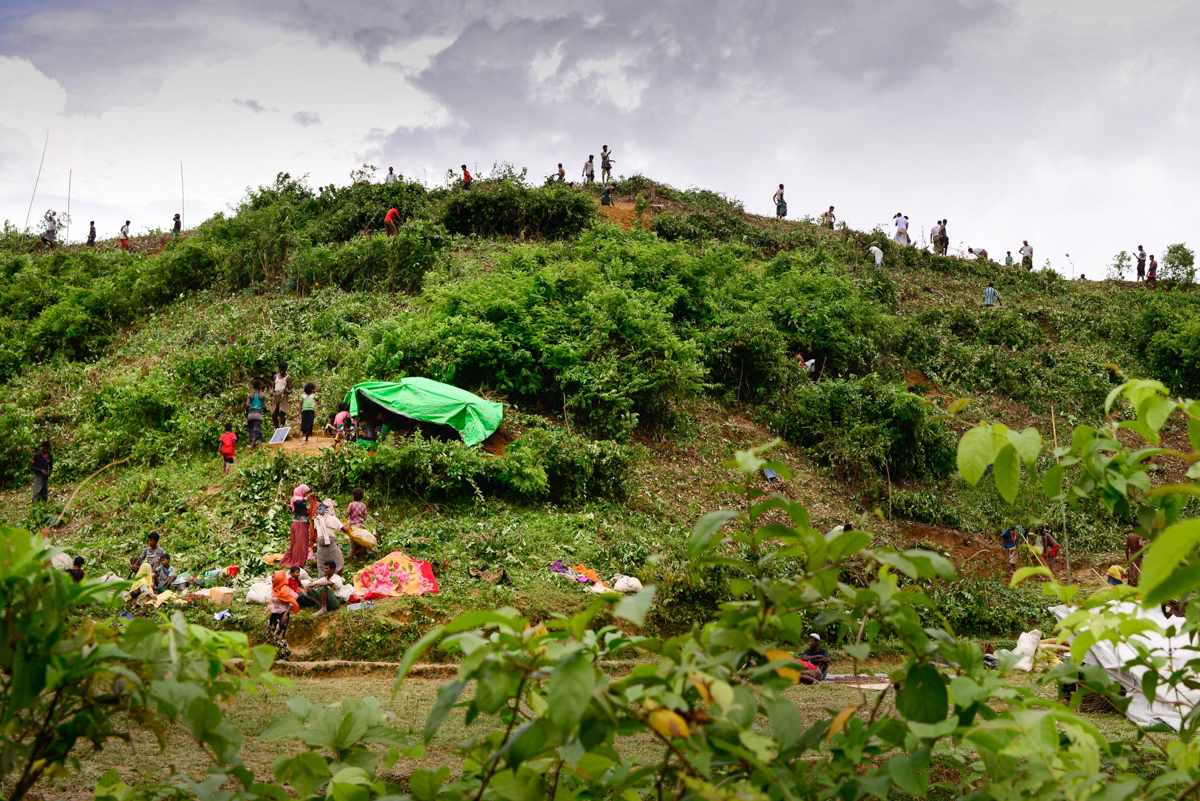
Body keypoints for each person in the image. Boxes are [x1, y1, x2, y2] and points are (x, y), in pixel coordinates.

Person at [266, 570, 299, 660]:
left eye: (274, 577)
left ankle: (285, 656)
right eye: (272, 577)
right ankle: (275, 654)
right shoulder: (274, 588)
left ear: (279, 578)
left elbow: (292, 602)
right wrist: (271, 613)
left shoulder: (284, 589)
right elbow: (275, 603)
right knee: (270, 634)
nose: (272, 579)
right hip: (275, 614)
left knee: (278, 636)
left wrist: (285, 615)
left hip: (282, 615)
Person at [282, 485, 311, 568]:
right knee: (299, 544)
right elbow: (299, 502)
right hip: (299, 524)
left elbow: (303, 511)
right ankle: (298, 563)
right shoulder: (297, 499)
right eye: (305, 493)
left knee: (303, 543)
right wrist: (307, 498)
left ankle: (301, 562)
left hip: (302, 523)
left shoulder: (301, 500)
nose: (306, 494)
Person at [314, 498, 346, 574]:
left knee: (322, 562)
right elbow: (345, 530)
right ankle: (336, 577)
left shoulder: (317, 518)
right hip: (330, 541)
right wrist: (350, 523)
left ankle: (322, 578)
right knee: (339, 559)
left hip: (321, 541)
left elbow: (317, 528)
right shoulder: (333, 519)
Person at [346, 487, 370, 562]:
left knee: (353, 544)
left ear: (353, 496)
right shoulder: (363, 505)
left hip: (353, 527)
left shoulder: (351, 504)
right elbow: (365, 517)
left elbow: (347, 514)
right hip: (361, 526)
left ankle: (351, 563)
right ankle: (358, 561)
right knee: (360, 544)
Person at [246, 378, 267, 450]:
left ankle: (254, 446)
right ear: (260, 386)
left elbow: (247, 405)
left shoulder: (250, 395)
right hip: (258, 414)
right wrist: (265, 411)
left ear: (253, 386)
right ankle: (252, 447)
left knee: (251, 429)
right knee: (256, 429)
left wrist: (246, 412)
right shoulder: (262, 396)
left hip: (250, 414)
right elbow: (264, 406)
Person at [271, 362, 293, 430]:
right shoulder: (275, 376)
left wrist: (287, 392)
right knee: (274, 414)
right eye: (281, 369)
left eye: (283, 369)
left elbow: (291, 389)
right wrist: (271, 391)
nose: (282, 371)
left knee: (282, 413)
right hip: (276, 395)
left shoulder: (288, 378)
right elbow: (273, 387)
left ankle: (282, 429)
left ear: (286, 369)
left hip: (283, 395)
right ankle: (277, 429)